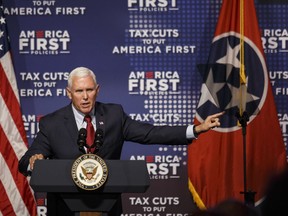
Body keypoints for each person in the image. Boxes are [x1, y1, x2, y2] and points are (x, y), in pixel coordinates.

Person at [18, 66, 224, 216]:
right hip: (65, 209)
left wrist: (196, 129)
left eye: (89, 90)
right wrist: (34, 161)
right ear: (68, 93)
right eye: (79, 91)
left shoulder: (114, 115)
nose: (85, 97)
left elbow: (150, 133)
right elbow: (26, 160)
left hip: (107, 207)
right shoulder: (52, 123)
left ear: (97, 90)